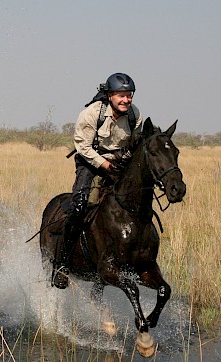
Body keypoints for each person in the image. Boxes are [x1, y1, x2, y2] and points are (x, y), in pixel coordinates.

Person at [53, 72, 143, 289]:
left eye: (129, 95)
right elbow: (83, 147)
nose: (126, 100)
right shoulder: (92, 113)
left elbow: (136, 144)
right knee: (81, 205)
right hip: (91, 162)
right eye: (121, 95)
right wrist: (105, 165)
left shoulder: (135, 115)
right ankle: (62, 263)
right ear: (110, 95)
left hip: (120, 164)